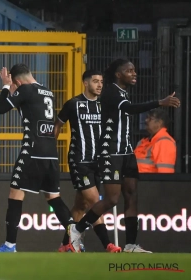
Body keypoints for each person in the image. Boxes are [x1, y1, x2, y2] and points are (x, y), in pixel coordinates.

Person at [68, 58, 180, 253]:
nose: (134, 73)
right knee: (112, 200)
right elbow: (129, 109)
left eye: (134, 70)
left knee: (131, 196)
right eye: (129, 70)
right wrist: (159, 102)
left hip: (127, 152)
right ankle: (76, 229)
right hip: (111, 152)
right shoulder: (111, 90)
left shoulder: (123, 92)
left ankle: (130, 245)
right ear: (119, 74)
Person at [0, 64, 74, 253]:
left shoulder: (25, 89)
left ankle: (10, 246)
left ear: (17, 81)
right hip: (51, 153)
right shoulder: (48, 91)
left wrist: (5, 86)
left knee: (15, 195)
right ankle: (74, 242)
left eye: (14, 85)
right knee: (53, 197)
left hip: (32, 151)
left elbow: (1, 108)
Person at [54, 70, 121, 253]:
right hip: (80, 160)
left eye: (101, 81)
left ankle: (65, 244)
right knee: (94, 201)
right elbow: (58, 124)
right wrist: (51, 148)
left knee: (80, 205)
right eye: (95, 81)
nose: (99, 85)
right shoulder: (73, 104)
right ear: (85, 83)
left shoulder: (104, 106)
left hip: (98, 162)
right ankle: (107, 244)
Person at [134, 109, 176, 173]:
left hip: (149, 182)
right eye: (146, 118)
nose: (146, 120)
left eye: (150, 119)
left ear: (159, 123)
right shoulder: (143, 141)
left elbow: (165, 172)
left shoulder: (164, 142)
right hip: (137, 181)